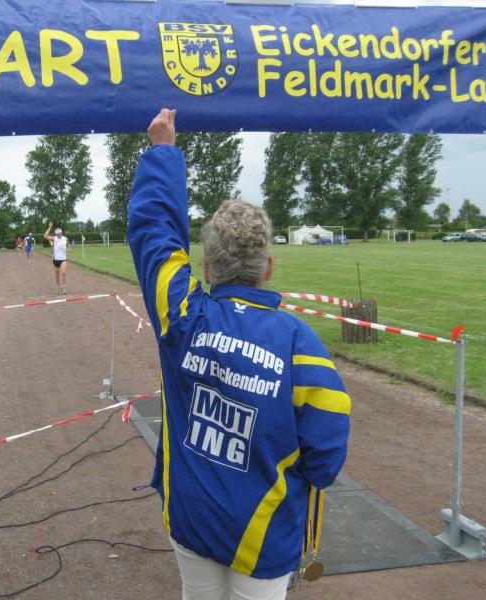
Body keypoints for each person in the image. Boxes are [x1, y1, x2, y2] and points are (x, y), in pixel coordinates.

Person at [128, 109, 351, 600]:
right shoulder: (299, 343)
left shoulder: (182, 317)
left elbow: (153, 235)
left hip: (191, 518)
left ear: (206, 268)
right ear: (268, 267)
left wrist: (164, 153)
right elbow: (327, 453)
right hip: (265, 535)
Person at [43, 222, 70, 294]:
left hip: (63, 259)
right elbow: (45, 236)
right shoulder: (54, 239)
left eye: (59, 233)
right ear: (56, 234)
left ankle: (63, 287)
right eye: (57, 234)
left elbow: (68, 244)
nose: (58, 235)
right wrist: (50, 227)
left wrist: (68, 248)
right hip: (55, 259)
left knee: (63, 272)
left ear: (61, 233)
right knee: (57, 275)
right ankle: (58, 287)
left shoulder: (65, 239)